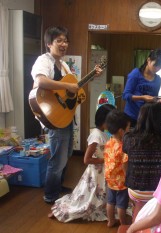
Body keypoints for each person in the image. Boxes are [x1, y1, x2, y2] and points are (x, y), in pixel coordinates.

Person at [31, 26, 103, 204]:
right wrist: (67, 87)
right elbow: (40, 80)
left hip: (65, 116)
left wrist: (92, 75)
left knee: (67, 154)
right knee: (58, 158)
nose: (64, 44)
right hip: (53, 117)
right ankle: (50, 194)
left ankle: (58, 186)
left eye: (66, 41)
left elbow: (74, 87)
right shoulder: (43, 61)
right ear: (49, 43)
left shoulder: (62, 64)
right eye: (59, 41)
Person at [49, 104, 115, 222]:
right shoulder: (96, 136)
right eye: (111, 122)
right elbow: (86, 159)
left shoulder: (103, 133)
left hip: (101, 172)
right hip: (95, 172)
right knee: (87, 197)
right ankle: (64, 211)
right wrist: (105, 160)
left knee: (98, 194)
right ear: (103, 121)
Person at [123, 102, 161, 219]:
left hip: (134, 189)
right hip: (157, 191)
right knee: (156, 207)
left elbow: (125, 157)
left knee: (139, 204)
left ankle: (135, 227)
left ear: (140, 118)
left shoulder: (129, 138)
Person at [122, 49, 161, 127]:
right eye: (155, 65)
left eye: (160, 67)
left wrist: (158, 100)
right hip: (131, 117)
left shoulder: (158, 80)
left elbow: (153, 99)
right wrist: (142, 98)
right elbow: (125, 95)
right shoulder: (136, 73)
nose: (157, 69)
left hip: (146, 119)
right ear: (148, 60)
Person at [104, 109, 131, 227]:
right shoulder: (123, 147)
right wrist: (128, 178)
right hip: (121, 182)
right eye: (128, 128)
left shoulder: (109, 142)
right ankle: (123, 223)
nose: (129, 130)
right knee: (121, 205)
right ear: (121, 131)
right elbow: (125, 164)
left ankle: (110, 220)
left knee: (110, 202)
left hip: (110, 179)